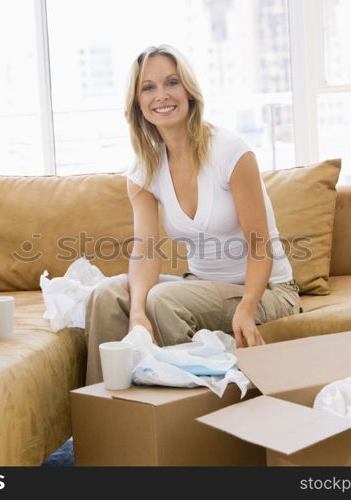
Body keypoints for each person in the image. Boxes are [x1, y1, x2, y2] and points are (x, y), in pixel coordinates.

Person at [85, 44, 300, 384]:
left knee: (163, 300)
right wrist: (136, 313)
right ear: (138, 103)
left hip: (267, 291)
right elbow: (146, 251)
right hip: (201, 286)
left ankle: (181, 419)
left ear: (189, 90)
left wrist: (247, 307)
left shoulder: (230, 151)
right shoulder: (144, 168)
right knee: (105, 296)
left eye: (172, 82)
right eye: (148, 87)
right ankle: (108, 413)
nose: (162, 95)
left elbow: (261, 247)